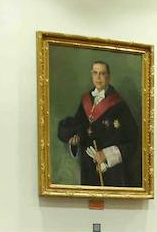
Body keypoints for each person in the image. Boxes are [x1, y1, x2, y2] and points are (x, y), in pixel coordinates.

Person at [56, 59, 139, 188]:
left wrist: (105, 155)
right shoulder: (85, 101)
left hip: (112, 172)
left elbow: (133, 141)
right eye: (95, 73)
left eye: (102, 73)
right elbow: (80, 130)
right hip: (88, 169)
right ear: (91, 75)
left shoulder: (119, 105)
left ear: (109, 77)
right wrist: (75, 142)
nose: (98, 77)